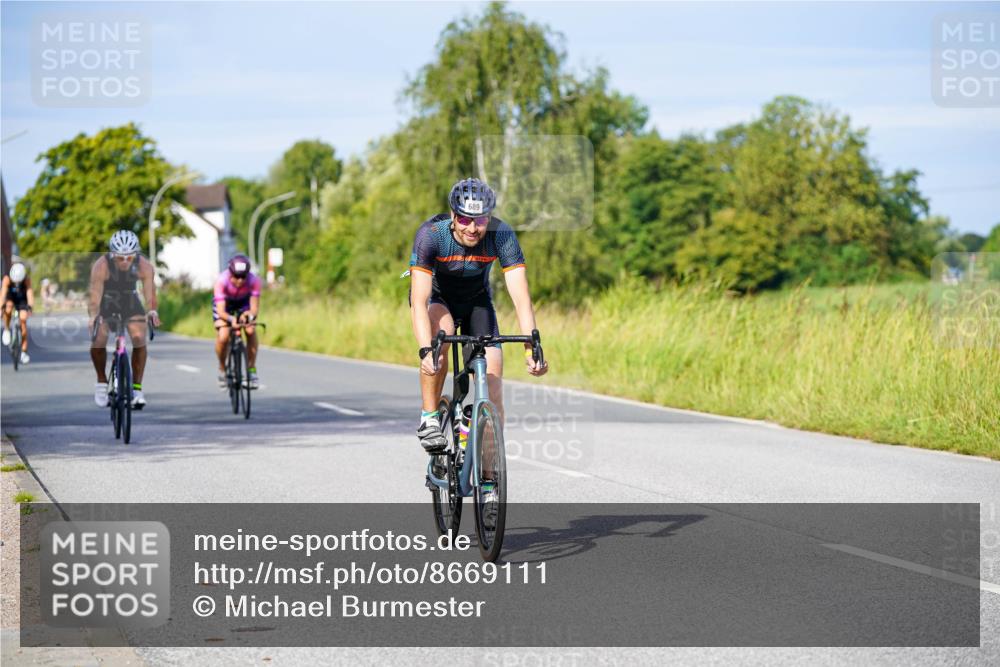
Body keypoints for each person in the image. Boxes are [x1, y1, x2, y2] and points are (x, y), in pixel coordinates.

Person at [409, 177, 548, 455]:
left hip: (477, 302)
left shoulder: (502, 234)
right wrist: (426, 350)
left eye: (481, 220)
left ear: (489, 217)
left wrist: (532, 348)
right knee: (442, 336)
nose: (473, 228)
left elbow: (521, 297)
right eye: (464, 220)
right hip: (439, 299)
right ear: (453, 215)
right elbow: (419, 299)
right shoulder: (431, 234)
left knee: (493, 378)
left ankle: (488, 480)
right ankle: (429, 419)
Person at [88, 230, 160, 409]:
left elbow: (149, 292)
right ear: (113, 255)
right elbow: (95, 296)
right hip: (107, 301)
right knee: (99, 339)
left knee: (138, 338)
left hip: (130, 301)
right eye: (121, 258)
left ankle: (136, 389)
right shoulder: (101, 266)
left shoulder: (144, 265)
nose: (125, 261)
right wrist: (93, 316)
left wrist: (152, 311)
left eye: (130, 257)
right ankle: (101, 382)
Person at [213, 254, 262, 389]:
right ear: (230, 273)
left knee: (250, 329)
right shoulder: (221, 281)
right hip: (225, 305)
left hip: (244, 303)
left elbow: (254, 309)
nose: (240, 281)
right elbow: (221, 311)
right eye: (236, 276)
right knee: (223, 336)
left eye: (243, 277)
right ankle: (222, 369)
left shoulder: (254, 281)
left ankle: (251, 371)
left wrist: (248, 316)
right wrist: (231, 319)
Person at [1, 262, 34, 364]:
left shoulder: (26, 280)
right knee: (8, 308)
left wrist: (30, 307)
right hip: (11, 297)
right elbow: (3, 294)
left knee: (23, 320)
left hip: (22, 299)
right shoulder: (7, 279)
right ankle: (6, 329)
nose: (17, 284)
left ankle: (24, 353)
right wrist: (1, 307)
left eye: (19, 282)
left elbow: (29, 293)